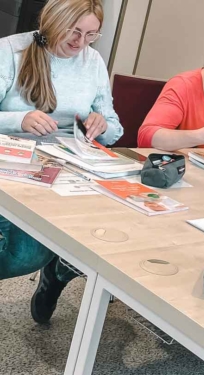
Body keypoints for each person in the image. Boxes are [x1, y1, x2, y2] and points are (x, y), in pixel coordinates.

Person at [0, 0, 124, 324]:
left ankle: (60, 269)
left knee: (113, 230)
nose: (80, 43)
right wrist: (19, 119)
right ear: (54, 19)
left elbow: (114, 127)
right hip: (15, 167)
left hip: (67, 167)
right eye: (74, 31)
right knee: (24, 256)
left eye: (91, 35)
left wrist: (102, 125)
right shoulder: (11, 51)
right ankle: (56, 262)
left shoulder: (92, 61)